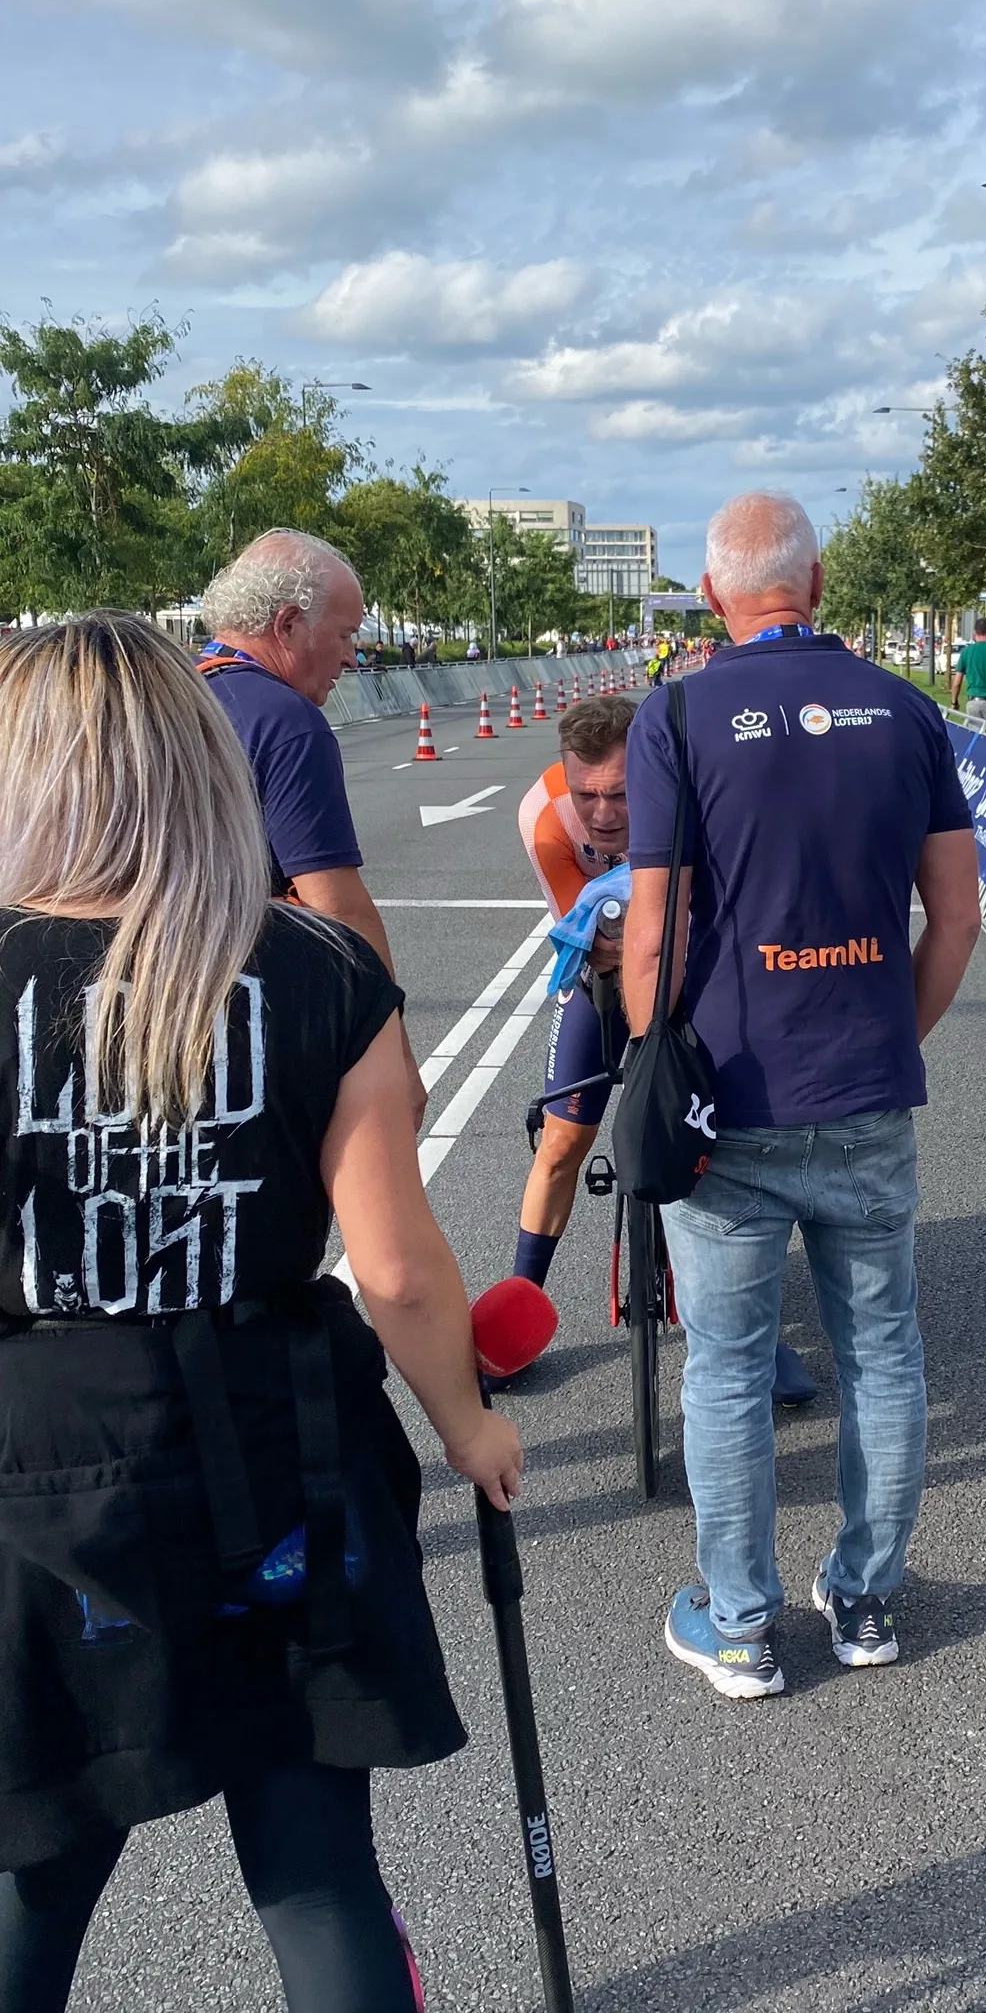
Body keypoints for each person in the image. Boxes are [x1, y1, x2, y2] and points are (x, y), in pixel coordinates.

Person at [0, 612, 523, 2013]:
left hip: (48, 1458)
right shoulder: (320, 968)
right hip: (281, 1434)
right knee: (312, 1863)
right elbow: (399, 1268)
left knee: (37, 1860)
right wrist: (467, 1424)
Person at [623, 491, 981, 1698]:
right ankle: (868, 1601)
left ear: (716, 597)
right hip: (867, 1089)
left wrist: (648, 1062)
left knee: (724, 1367)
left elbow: (656, 929)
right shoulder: (906, 709)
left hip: (727, 1100)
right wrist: (893, 1032)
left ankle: (738, 1627)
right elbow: (959, 913)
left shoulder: (674, 713)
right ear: (817, 586)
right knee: (883, 1351)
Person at [516, 700, 816, 1404]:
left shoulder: (696, 791)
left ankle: (748, 1325)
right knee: (561, 1142)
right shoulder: (542, 814)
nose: (603, 813)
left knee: (716, 1143)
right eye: (586, 793)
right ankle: (519, 1309)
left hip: (686, 968)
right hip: (605, 972)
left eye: (620, 793)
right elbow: (592, 938)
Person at [198, 529, 428, 1131]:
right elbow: (339, 911)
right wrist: (395, 1053)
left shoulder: (166, 690)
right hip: (239, 1014)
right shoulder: (284, 721)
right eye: (347, 634)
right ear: (290, 625)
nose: (353, 656)